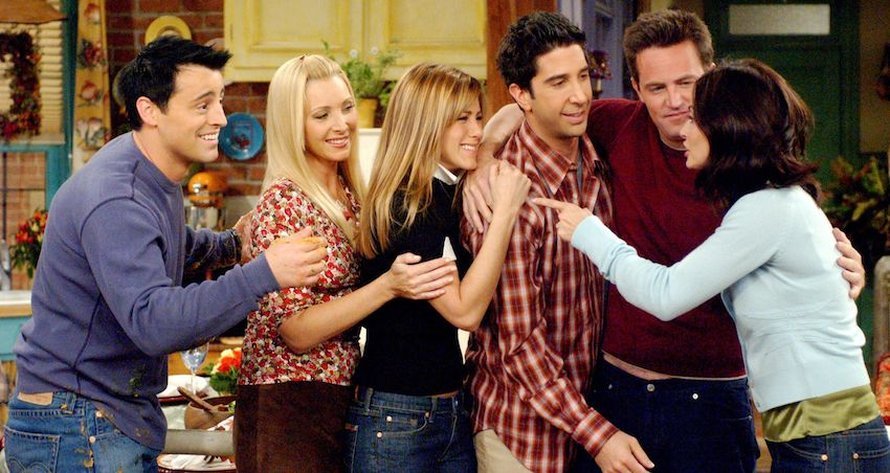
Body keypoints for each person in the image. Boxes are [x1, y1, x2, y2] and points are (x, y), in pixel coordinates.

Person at [465, 10, 866, 473]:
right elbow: (528, 108)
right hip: (614, 392)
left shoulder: (750, 168)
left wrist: (837, 268)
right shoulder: (610, 126)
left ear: (711, 76)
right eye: (656, 88)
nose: (675, 102)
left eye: (688, 83)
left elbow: (777, 247)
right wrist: (483, 161)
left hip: (717, 398)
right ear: (636, 89)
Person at [537, 58, 890, 473]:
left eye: (695, 120)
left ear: (727, 129)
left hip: (829, 437)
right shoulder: (773, 202)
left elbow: (666, 295)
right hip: (819, 436)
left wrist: (590, 233)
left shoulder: (767, 208)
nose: (683, 131)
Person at [3, 36, 326, 471]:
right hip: (77, 423)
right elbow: (154, 323)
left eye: (220, 100)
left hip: (97, 415)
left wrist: (232, 244)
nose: (220, 118)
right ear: (149, 110)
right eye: (202, 105)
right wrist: (263, 273)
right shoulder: (117, 197)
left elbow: (164, 242)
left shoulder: (148, 171)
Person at [234, 55, 456, 473]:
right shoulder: (285, 202)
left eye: (346, 108)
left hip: (339, 394)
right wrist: (388, 286)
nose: (342, 124)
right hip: (287, 402)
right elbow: (296, 332)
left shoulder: (351, 193)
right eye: (322, 115)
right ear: (293, 126)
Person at [459, 12, 654, 473]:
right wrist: (598, 436)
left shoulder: (597, 156)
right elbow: (520, 345)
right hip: (519, 432)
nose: (580, 95)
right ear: (522, 95)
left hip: (585, 415)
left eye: (583, 76)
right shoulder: (504, 195)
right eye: (558, 82)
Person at [343, 63, 530, 473]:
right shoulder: (407, 206)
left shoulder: (443, 189)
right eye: (461, 119)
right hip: (395, 418)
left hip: (449, 410)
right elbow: (465, 312)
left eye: (477, 117)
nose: (476, 130)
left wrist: (484, 152)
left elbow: (516, 110)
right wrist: (505, 213)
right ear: (425, 124)